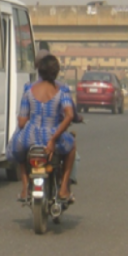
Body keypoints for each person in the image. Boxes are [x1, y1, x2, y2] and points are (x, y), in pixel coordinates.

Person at [7, 53, 77, 204]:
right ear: (56, 72)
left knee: (19, 147)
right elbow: (70, 115)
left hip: (29, 137)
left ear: (39, 71)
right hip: (53, 137)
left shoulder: (29, 89)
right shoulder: (62, 90)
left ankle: (25, 185)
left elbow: (21, 122)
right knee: (72, 148)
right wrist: (52, 139)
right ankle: (64, 188)